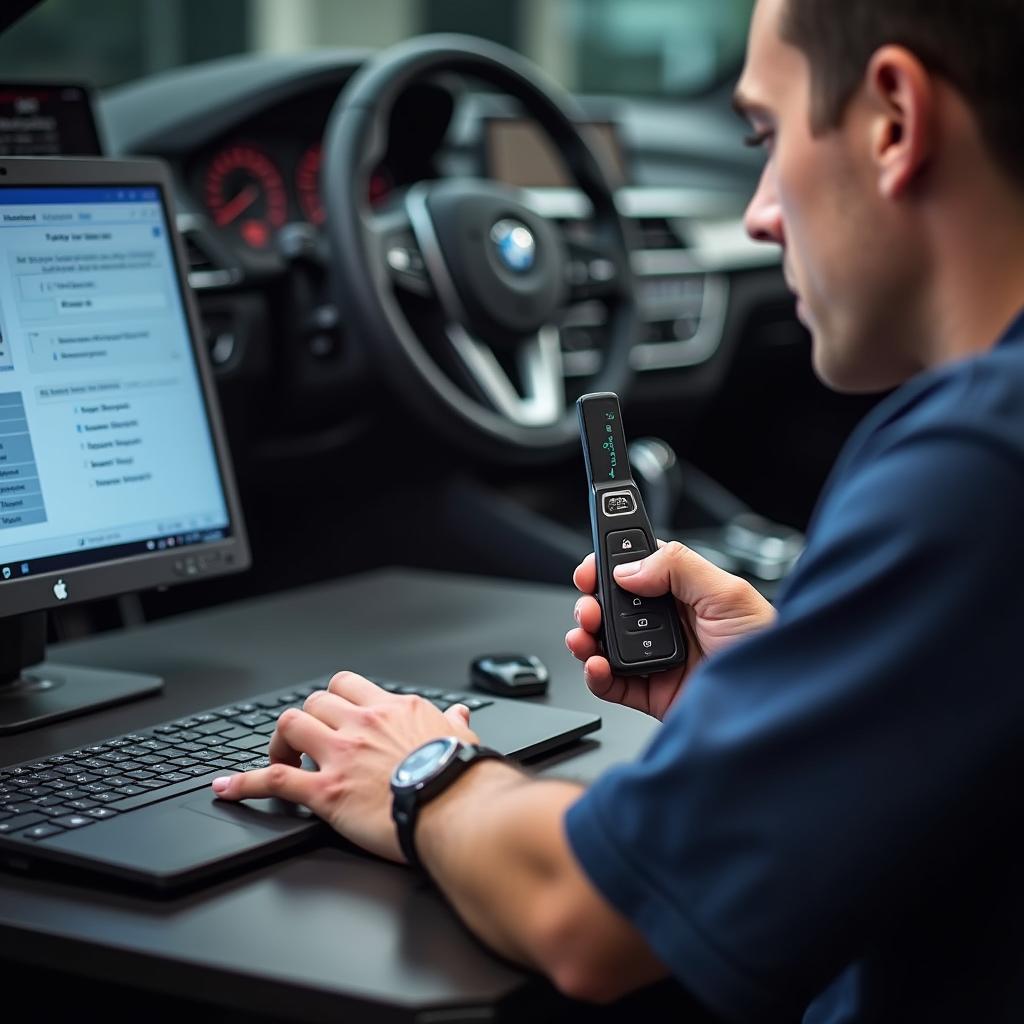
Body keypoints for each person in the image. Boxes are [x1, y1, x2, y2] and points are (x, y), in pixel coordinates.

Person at [210, 0, 1024, 1019]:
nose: (762, 212)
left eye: (765, 139)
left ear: (894, 121)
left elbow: (588, 916)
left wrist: (421, 769)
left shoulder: (975, 463)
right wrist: (794, 690)